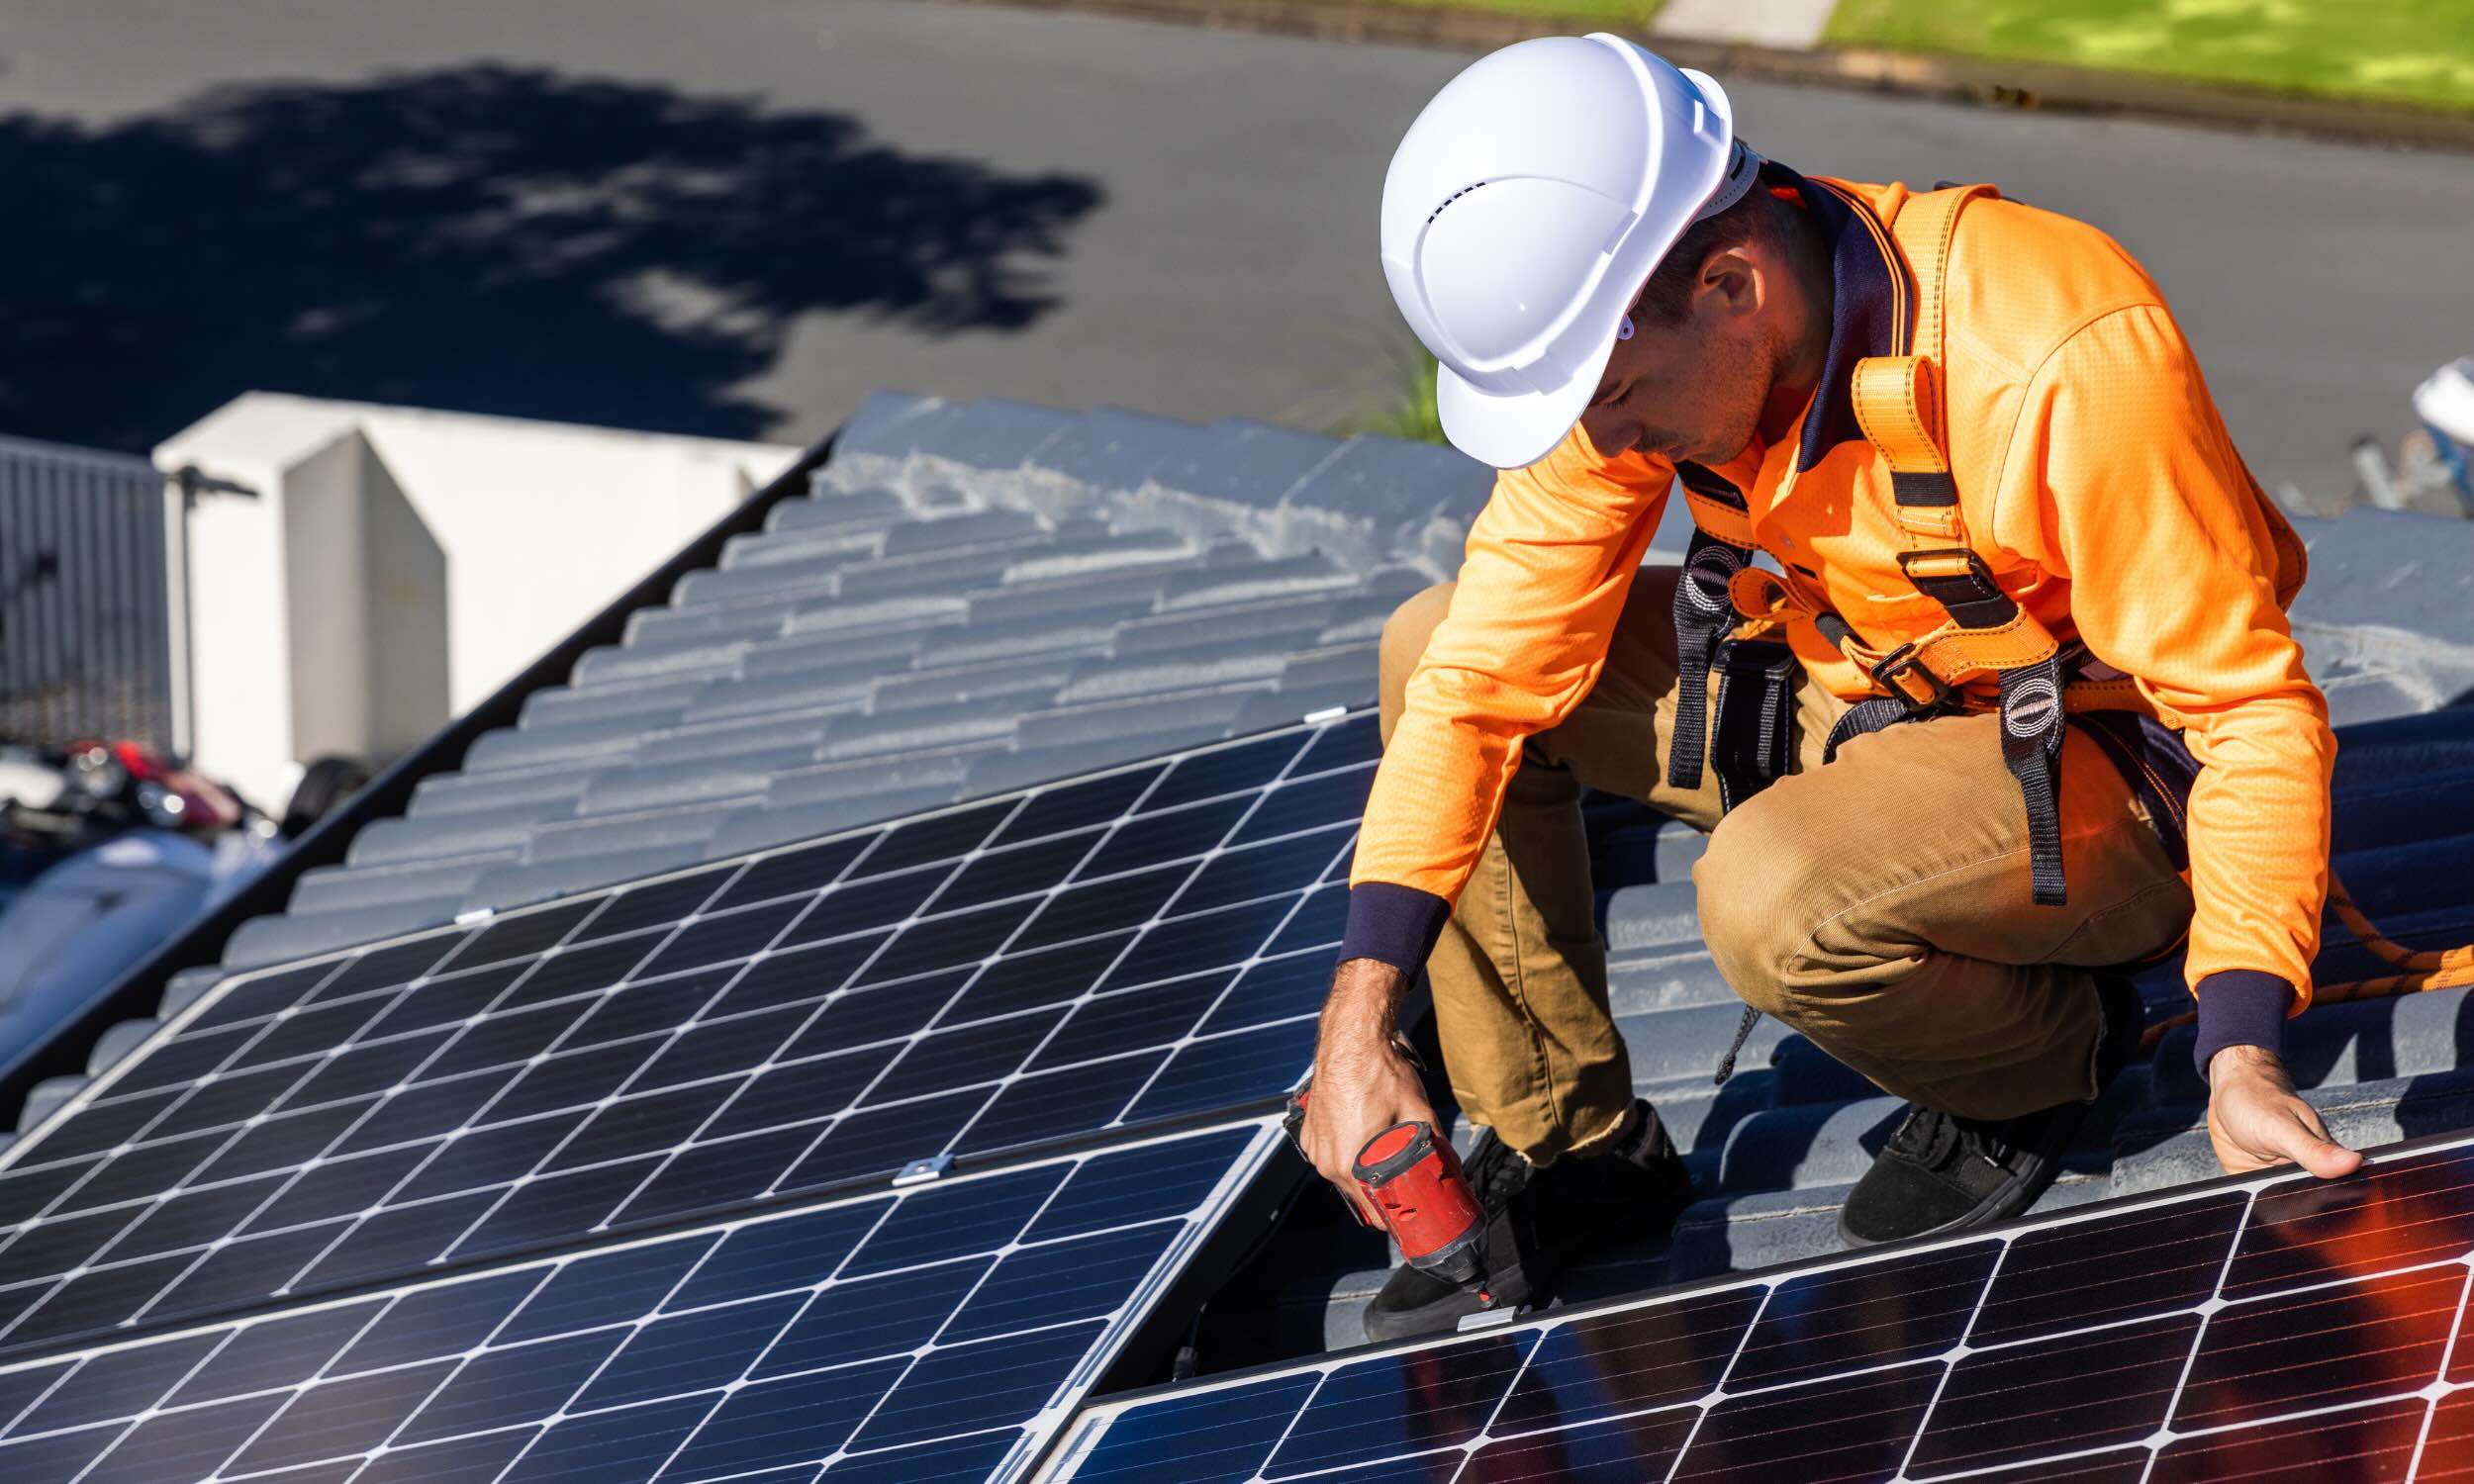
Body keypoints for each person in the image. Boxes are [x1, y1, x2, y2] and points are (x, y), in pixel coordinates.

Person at [1295, 33, 2359, 1343]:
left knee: (1770, 895)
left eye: (1614, 394)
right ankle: (1573, 1140)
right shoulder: (1651, 347)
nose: (1604, 441)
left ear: (1731, 283)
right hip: (1874, 698)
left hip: (2107, 775)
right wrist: (1357, 1022)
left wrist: (2240, 1045)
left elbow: (2247, 716)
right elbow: (1474, 682)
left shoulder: (2056, 348)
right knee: (1431, 642)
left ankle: (2036, 1059)